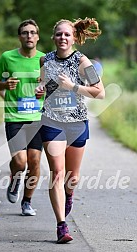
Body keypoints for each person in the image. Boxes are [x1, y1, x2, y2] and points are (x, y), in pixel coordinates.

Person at [35, 17, 105, 243]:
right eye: (59, 34)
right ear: (53, 37)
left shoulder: (83, 62)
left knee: (71, 177)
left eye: (67, 34)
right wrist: (40, 88)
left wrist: (73, 86)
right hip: (52, 121)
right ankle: (61, 226)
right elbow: (45, 84)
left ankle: (70, 193)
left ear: (74, 37)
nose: (62, 38)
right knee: (57, 171)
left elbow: (100, 92)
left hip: (77, 123)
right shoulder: (45, 60)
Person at [0, 19, 45, 216]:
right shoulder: (8, 57)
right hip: (14, 116)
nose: (28, 36)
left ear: (38, 37)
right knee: (20, 162)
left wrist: (44, 90)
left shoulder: (45, 60)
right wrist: (5, 85)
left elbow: (55, 87)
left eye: (32, 32)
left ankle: (27, 202)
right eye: (24, 33)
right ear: (19, 36)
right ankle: (15, 178)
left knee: (34, 161)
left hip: (38, 117)